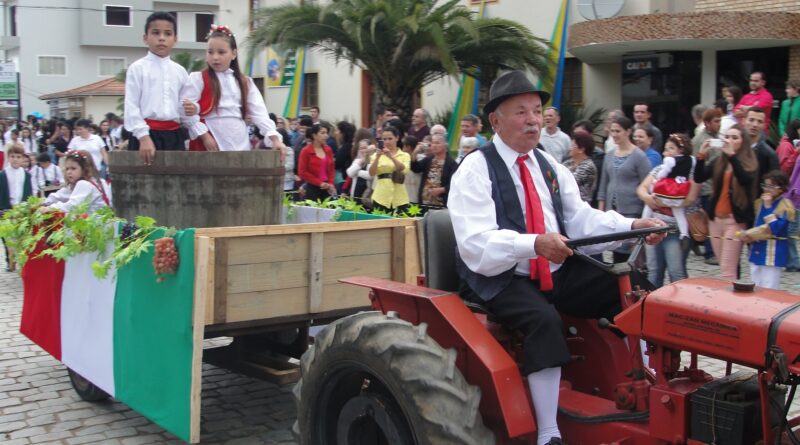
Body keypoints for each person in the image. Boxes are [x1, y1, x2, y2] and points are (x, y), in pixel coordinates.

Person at [448, 70, 665, 445]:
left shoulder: (547, 165)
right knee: (543, 319)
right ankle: (548, 432)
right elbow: (476, 244)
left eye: (536, 110)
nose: (533, 119)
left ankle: (652, 384)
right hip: (502, 275)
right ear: (495, 121)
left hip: (553, 267)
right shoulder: (474, 169)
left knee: (635, 290)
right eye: (521, 111)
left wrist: (633, 224)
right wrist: (533, 244)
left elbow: (580, 220)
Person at [182, 26, 285, 156]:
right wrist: (204, 136)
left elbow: (260, 113)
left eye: (221, 52)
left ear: (234, 54)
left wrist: (275, 139)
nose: (215, 57)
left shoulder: (245, 82)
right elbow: (185, 111)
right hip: (209, 139)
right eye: (210, 52)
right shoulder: (198, 79)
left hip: (239, 139)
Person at [124, 12, 207, 164]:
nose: (161, 38)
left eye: (167, 33)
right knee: (145, 183)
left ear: (175, 39)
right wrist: (143, 137)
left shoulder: (180, 71)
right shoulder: (137, 68)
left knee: (175, 183)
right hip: (146, 135)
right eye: (155, 33)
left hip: (174, 136)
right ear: (145, 38)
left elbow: (184, 108)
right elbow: (131, 107)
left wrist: (193, 108)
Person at [694, 124, 759, 280]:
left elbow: (745, 179)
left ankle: (727, 301)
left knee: (728, 269)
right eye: (727, 137)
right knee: (722, 265)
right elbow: (699, 177)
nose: (729, 140)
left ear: (743, 142)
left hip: (734, 221)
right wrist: (701, 156)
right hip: (715, 219)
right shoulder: (719, 161)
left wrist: (732, 156)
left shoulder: (748, 162)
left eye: (734, 138)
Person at [638, 134, 700, 287]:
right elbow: (641, 188)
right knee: (653, 270)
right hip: (653, 227)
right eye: (665, 149)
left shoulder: (689, 172)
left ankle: (680, 304)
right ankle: (651, 302)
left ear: (681, 151)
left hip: (674, 230)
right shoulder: (660, 168)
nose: (665, 153)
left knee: (676, 271)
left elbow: (690, 198)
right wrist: (650, 199)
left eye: (670, 149)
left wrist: (668, 201)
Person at [597, 116, 652, 262]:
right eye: (612, 131)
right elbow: (603, 185)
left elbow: (647, 183)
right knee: (617, 252)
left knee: (632, 256)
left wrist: (645, 215)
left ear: (628, 132)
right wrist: (602, 212)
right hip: (613, 211)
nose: (614, 134)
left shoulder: (639, 156)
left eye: (618, 131)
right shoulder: (609, 155)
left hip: (632, 211)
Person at [737, 170, 794, 289]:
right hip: (757, 249)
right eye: (765, 185)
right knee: (755, 285)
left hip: (772, 254)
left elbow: (776, 229)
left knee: (769, 287)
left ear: (781, 188)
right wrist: (749, 235)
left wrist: (768, 208)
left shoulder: (786, 205)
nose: (767, 189)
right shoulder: (759, 203)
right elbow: (757, 225)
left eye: (771, 186)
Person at [1, 145, 37, 271]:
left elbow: (29, 192)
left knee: (22, 235)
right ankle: (10, 259)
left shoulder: (26, 175)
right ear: (9, 158)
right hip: (7, 209)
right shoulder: (3, 174)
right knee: (7, 237)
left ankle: (22, 259)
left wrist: (30, 206)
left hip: (22, 209)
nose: (15, 159)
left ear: (23, 159)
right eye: (12, 157)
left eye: (18, 157)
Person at [43, 150, 111, 214]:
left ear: (84, 169)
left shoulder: (84, 184)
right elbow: (60, 195)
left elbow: (72, 205)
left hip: (98, 224)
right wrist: (44, 202)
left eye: (73, 168)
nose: (69, 172)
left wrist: (51, 208)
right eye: (67, 169)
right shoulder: (100, 180)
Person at [368, 126, 410, 214]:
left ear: (397, 138)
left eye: (390, 139)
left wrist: (391, 156)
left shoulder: (404, 155)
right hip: (381, 197)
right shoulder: (375, 155)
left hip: (399, 197)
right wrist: (377, 157)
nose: (387, 142)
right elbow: (371, 173)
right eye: (385, 139)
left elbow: (404, 170)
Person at [411, 133, 457, 207]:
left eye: (437, 143)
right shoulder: (428, 160)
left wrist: (442, 189)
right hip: (424, 202)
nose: (434, 145)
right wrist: (414, 153)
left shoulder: (451, 164)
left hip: (441, 203)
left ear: (445, 145)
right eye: (433, 143)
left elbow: (455, 184)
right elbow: (415, 168)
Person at [297, 124, 336, 201]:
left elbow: (331, 169)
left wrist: (331, 184)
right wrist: (319, 183)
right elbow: (302, 172)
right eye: (322, 133)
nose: (326, 136)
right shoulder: (306, 151)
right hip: (312, 187)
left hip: (327, 187)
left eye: (326, 133)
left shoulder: (328, 150)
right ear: (314, 135)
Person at [563, 131, 597, 203]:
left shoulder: (588, 166)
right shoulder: (568, 163)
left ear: (581, 149)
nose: (570, 148)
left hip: (580, 206)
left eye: (573, 146)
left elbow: (569, 182)